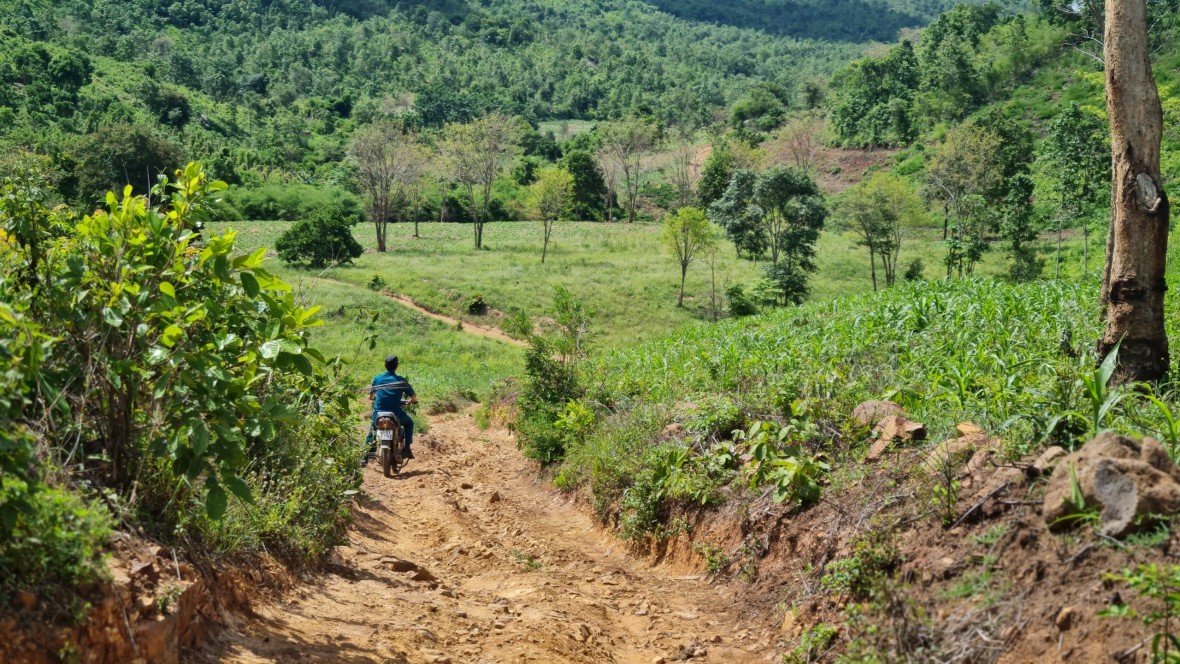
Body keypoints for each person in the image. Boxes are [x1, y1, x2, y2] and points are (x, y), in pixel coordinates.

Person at [364, 355, 418, 465]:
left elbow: (371, 396)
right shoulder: (401, 381)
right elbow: (413, 397)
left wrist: (373, 398)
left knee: (372, 430)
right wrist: (410, 401)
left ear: (385, 365)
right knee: (409, 423)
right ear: (396, 366)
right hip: (395, 413)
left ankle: (365, 456)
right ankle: (407, 448)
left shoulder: (377, 378)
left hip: (378, 413)